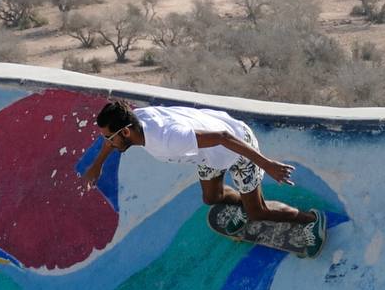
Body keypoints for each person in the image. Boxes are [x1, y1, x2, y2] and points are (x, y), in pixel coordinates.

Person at [82, 100, 326, 251]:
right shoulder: (136, 120)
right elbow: (111, 140)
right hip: (209, 155)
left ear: (125, 133)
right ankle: (244, 204)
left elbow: (223, 138)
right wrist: (97, 165)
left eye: (109, 137)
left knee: (257, 213)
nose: (107, 142)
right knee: (212, 198)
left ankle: (311, 220)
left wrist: (266, 164)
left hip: (238, 148)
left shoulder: (169, 139)